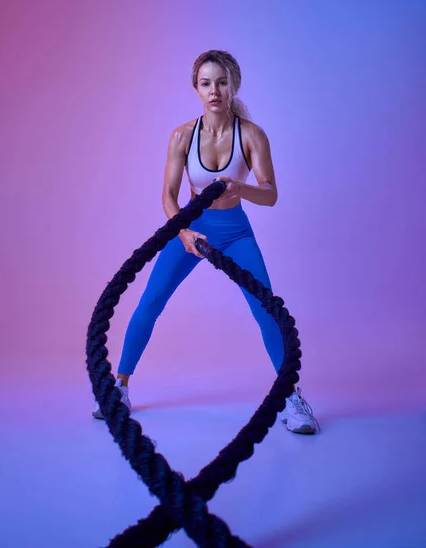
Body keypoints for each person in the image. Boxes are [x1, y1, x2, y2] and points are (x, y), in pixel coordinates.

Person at [93, 50, 319, 434]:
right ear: (196, 88)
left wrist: (241, 187)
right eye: (205, 83)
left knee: (266, 310)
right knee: (151, 301)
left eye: (221, 82)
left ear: (233, 85)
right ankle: (121, 388)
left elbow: (271, 194)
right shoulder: (182, 135)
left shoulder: (251, 135)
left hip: (234, 232)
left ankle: (293, 398)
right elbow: (168, 195)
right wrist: (182, 231)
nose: (214, 90)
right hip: (190, 231)